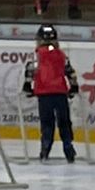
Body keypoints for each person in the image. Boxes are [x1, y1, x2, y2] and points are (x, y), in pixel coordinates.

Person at [21, 23, 78, 162]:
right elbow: (70, 72)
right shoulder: (61, 54)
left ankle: (45, 148)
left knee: (47, 123)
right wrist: (74, 87)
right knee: (64, 121)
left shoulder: (37, 55)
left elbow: (30, 71)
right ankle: (68, 146)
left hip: (44, 93)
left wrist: (27, 86)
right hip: (60, 92)